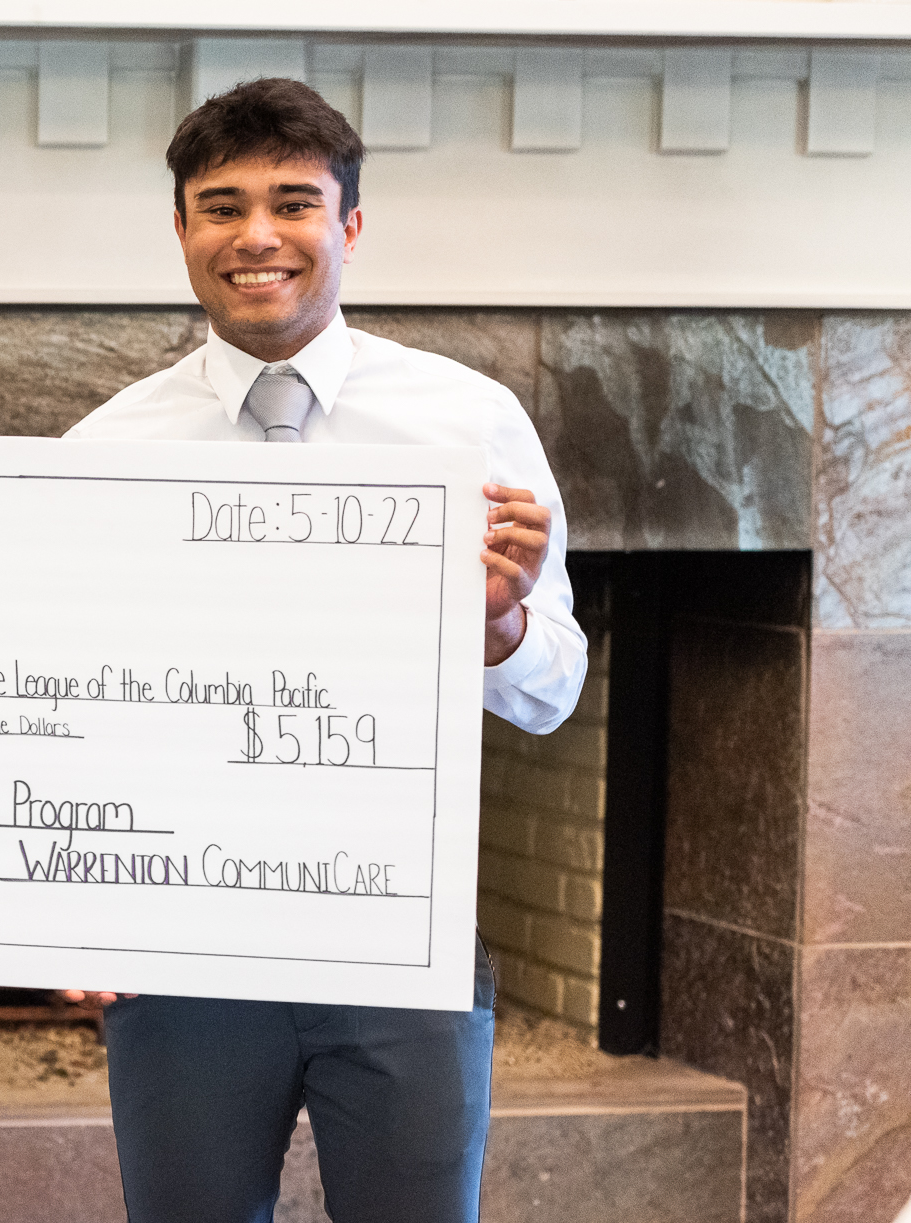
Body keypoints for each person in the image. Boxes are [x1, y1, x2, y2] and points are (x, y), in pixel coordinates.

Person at [60, 78, 588, 1223]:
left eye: (293, 202)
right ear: (181, 231)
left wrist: (497, 625)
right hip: (179, 953)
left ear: (347, 226)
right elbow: (68, 708)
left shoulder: (470, 423)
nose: (256, 236)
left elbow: (552, 693)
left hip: (403, 941)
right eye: (221, 205)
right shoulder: (105, 449)